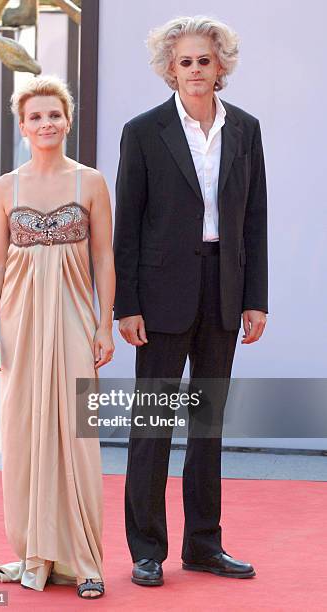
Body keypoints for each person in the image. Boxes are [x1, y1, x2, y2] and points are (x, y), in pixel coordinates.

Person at [114, 16, 268, 586]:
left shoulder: (246, 129)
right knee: (152, 425)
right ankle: (146, 550)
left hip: (224, 290)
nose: (196, 70)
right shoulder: (144, 130)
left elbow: (255, 219)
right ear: (169, 70)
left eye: (206, 60)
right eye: (186, 61)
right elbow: (127, 224)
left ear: (221, 65)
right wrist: (125, 304)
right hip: (159, 294)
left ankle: (204, 545)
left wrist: (256, 298)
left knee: (207, 425)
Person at [0, 75, 115, 598]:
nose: (45, 124)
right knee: (24, 432)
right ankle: (35, 551)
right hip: (18, 323)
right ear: (22, 125)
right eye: (35, 117)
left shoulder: (91, 183)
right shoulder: (4, 188)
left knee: (78, 437)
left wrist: (105, 323)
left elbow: (104, 257)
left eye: (53, 115)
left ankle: (86, 561)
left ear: (68, 120)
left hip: (77, 320)